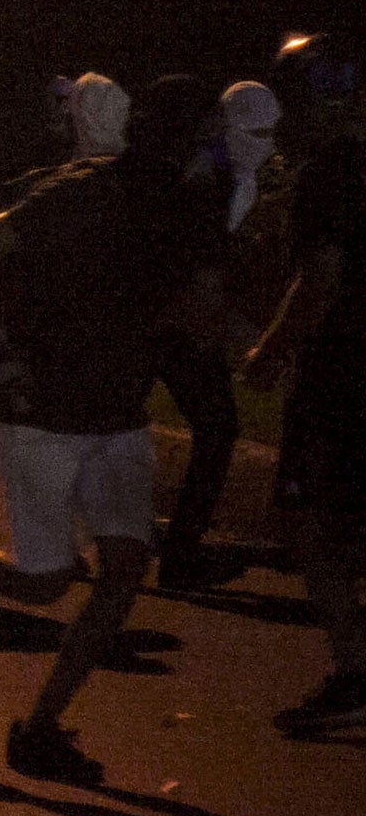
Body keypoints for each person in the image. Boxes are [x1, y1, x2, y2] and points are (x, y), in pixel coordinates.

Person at [0, 76, 219, 785]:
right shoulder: (78, 195)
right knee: (45, 583)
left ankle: (38, 730)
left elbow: (195, 307)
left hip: (116, 412)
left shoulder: (183, 212)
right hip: (41, 407)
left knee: (125, 570)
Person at [245, 37, 365, 735]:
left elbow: (321, 278)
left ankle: (353, 674)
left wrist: (271, 347)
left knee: (304, 518)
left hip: (343, 368)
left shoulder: (329, 173)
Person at [149, 81, 281, 587]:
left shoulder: (226, 170)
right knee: (218, 429)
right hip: (176, 323)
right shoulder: (210, 174)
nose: (265, 141)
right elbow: (199, 261)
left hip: (172, 321)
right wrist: (219, 334)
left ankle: (155, 546)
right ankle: (178, 557)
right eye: (255, 130)